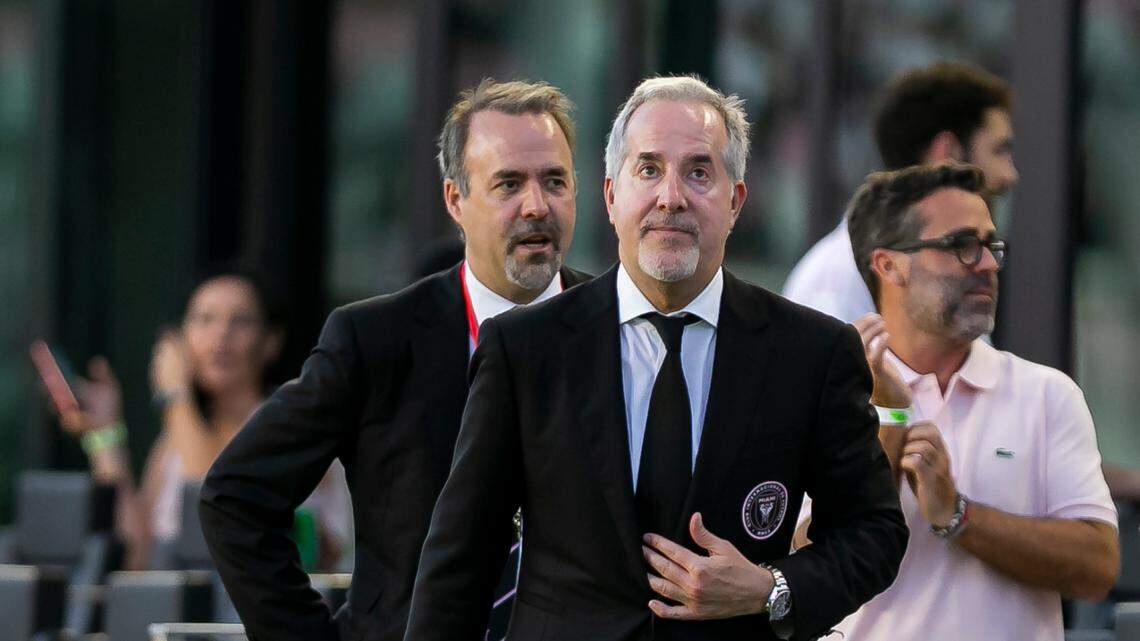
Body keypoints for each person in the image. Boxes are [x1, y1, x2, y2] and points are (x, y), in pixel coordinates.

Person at [404, 76, 906, 641]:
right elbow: (459, 560)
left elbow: (875, 531)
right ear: (613, 196)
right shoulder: (523, 349)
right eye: (648, 170)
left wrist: (773, 589)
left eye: (698, 172)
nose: (671, 197)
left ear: (736, 201)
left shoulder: (811, 352)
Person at [199, 79, 591, 641]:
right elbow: (234, 497)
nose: (536, 205)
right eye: (508, 183)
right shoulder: (376, 338)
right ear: (456, 200)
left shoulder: (618, 330)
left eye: (554, 181)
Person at [826, 163, 1118, 641]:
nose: (987, 263)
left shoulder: (1046, 395)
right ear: (889, 265)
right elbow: (800, 556)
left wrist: (959, 515)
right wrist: (891, 421)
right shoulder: (827, 394)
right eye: (961, 245)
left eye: (990, 244)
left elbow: (1097, 567)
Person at [30, 267, 317, 570]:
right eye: (205, 319)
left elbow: (215, 507)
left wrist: (175, 394)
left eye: (240, 321)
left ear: (271, 340)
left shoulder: (293, 423)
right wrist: (104, 434)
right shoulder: (176, 438)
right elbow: (138, 553)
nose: (221, 334)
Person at [783, 61, 1016, 322]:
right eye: (999, 151)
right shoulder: (838, 283)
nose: (1010, 176)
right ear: (948, 152)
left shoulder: (960, 281)